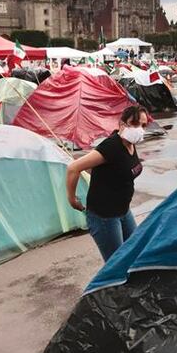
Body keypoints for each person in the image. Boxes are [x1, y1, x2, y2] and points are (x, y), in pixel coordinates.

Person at [66, 105, 149, 261]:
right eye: (135, 123)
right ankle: (113, 286)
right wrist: (72, 198)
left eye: (143, 125)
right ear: (122, 124)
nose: (140, 129)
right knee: (116, 263)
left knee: (135, 251)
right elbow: (73, 168)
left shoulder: (130, 144)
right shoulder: (111, 147)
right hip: (104, 217)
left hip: (123, 211)